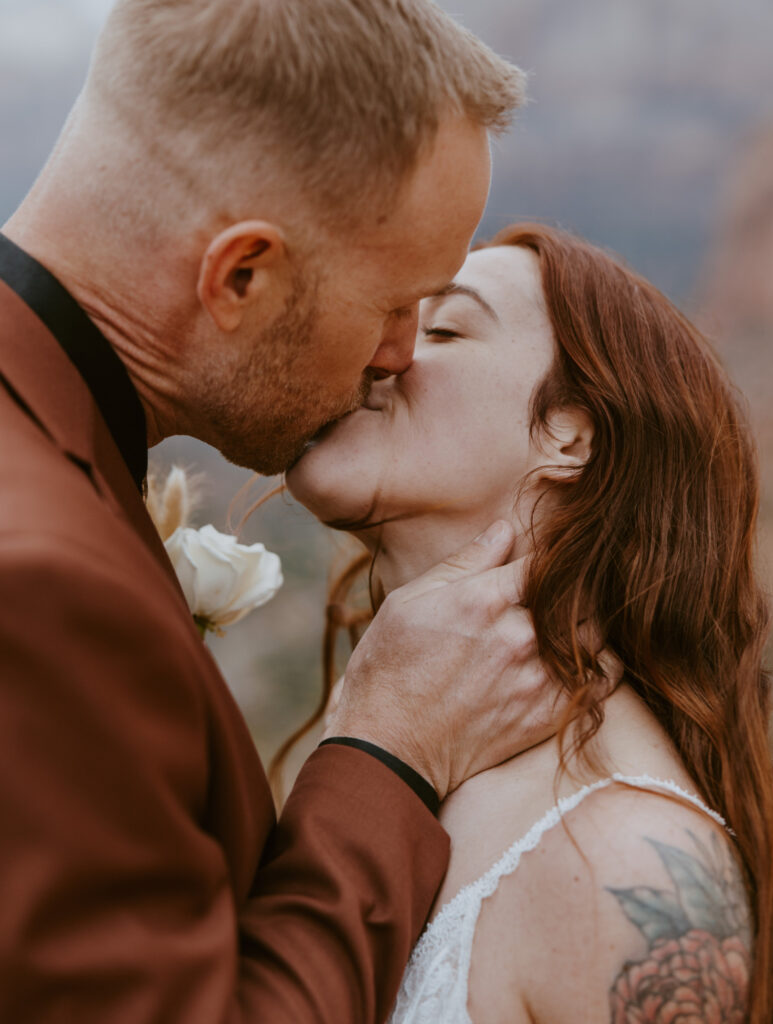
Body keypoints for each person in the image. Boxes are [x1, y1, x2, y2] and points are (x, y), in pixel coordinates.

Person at [0, 3, 576, 1021]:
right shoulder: (39, 580)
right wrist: (386, 749)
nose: (400, 354)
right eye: (402, 302)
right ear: (242, 276)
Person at [286, 224, 773, 1023]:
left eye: (443, 328)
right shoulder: (404, 760)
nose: (382, 352)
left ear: (570, 433)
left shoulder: (628, 869)